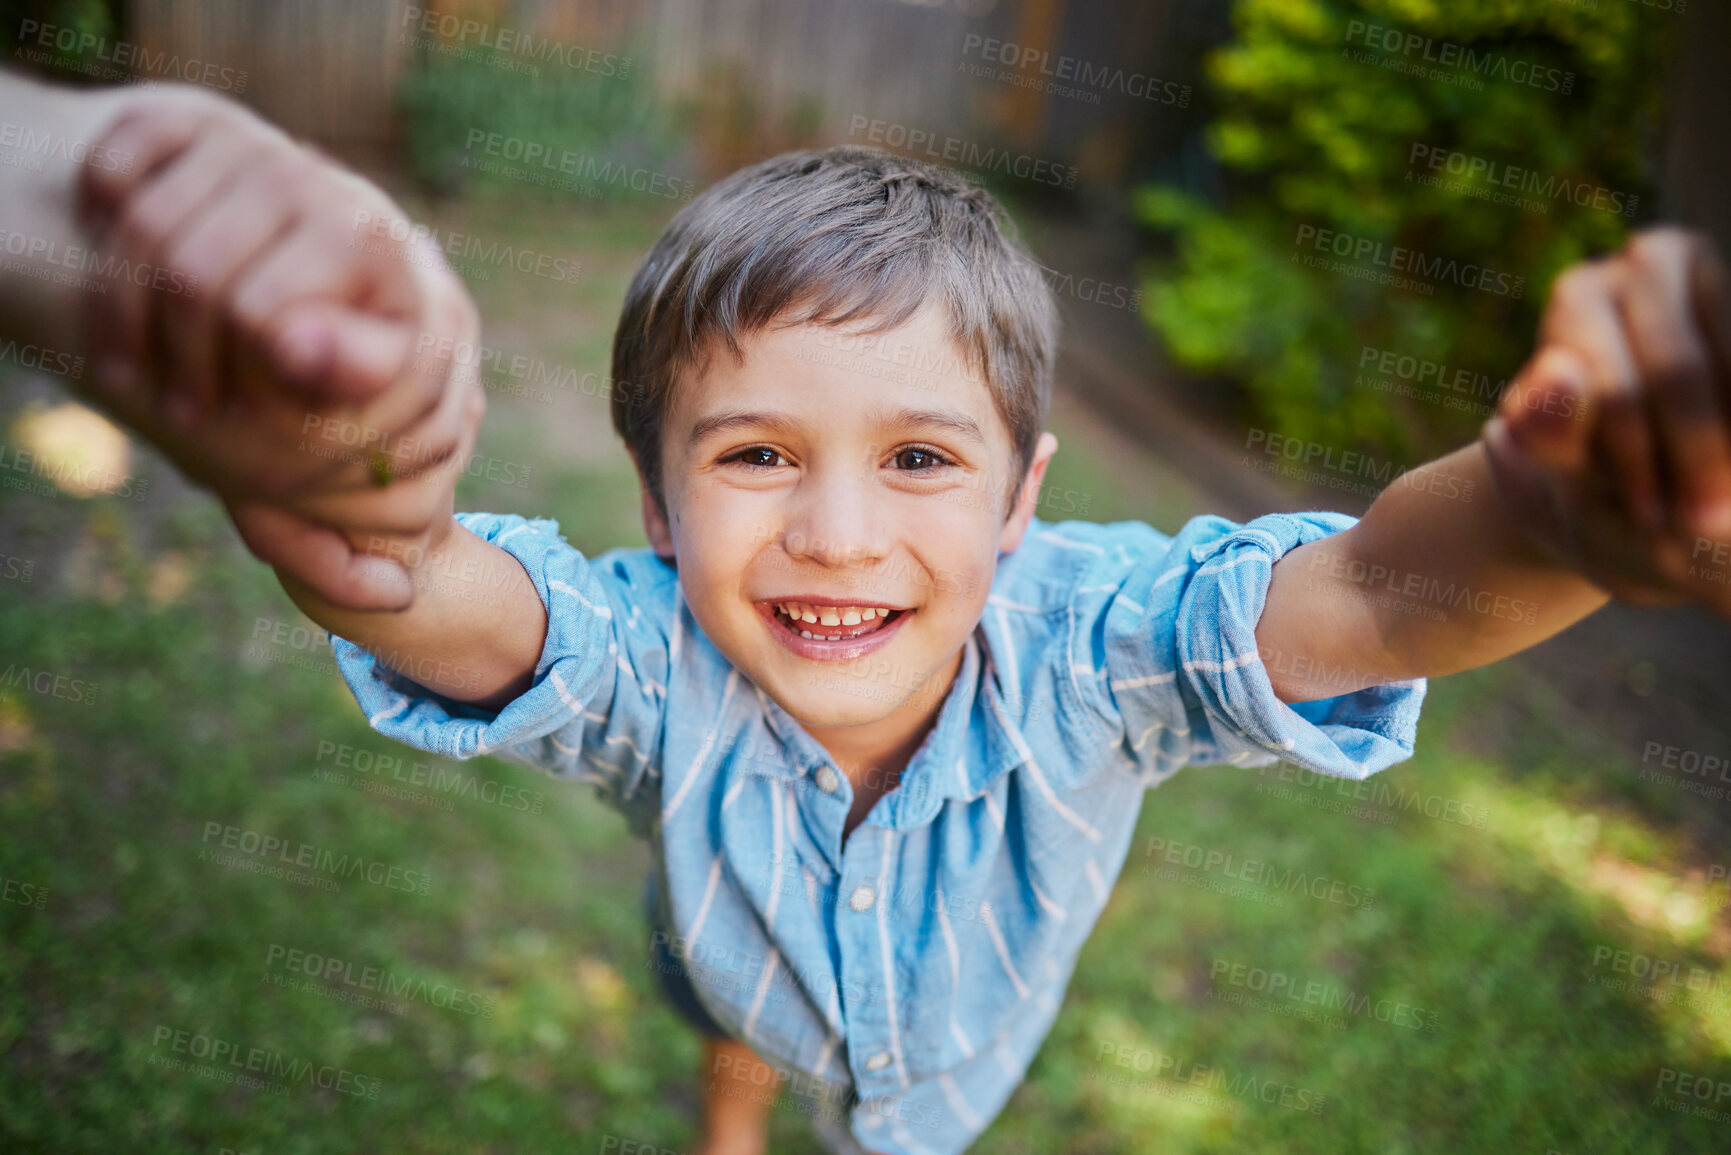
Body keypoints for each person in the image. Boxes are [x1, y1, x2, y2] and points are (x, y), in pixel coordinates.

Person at [4, 72, 1730, 1155]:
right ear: (661, 505)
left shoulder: (1100, 652)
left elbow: (1364, 592)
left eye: (919, 455)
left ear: (1025, 495)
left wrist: (1550, 514)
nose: (837, 534)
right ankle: (735, 1116)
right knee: (726, 1027)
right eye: (757, 453)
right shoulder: (642, 655)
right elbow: (428, 595)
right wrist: (335, 483)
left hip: (966, 1056)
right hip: (729, 959)